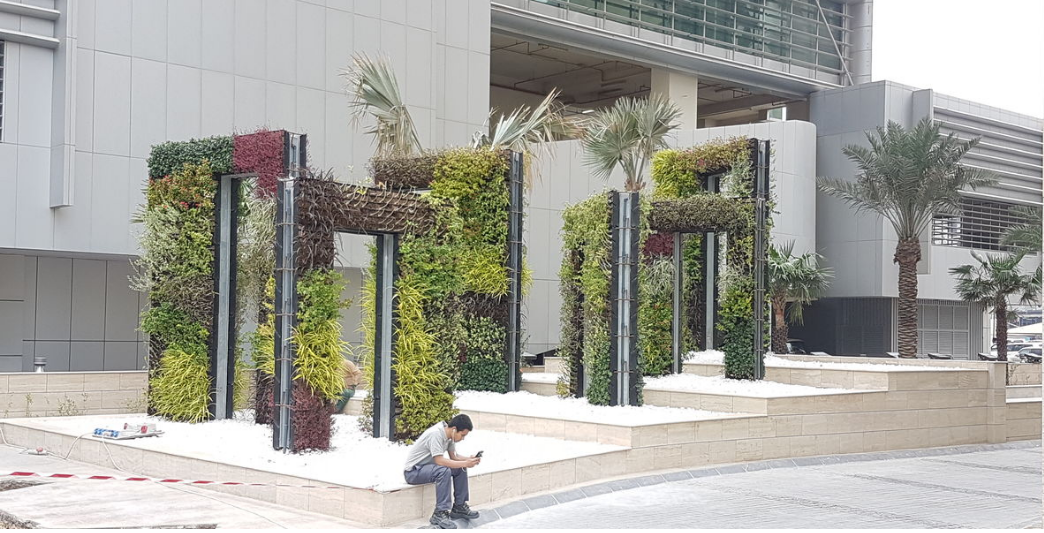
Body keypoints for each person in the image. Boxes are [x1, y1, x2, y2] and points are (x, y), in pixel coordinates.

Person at [403, 414, 481, 529]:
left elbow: (454, 457)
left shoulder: (450, 435)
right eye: (463, 435)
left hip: (429, 468)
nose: (463, 438)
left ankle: (459, 506)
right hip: (413, 472)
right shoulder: (436, 434)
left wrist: (469, 460)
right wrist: (465, 463)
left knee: (460, 468)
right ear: (454, 429)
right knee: (443, 471)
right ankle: (439, 513)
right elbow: (439, 460)